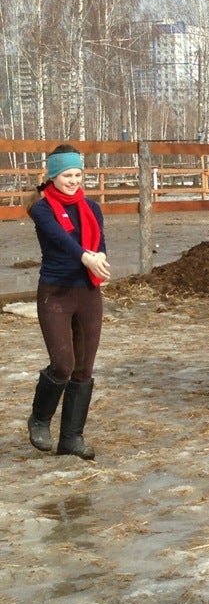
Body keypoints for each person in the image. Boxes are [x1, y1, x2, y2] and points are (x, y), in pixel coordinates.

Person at [26, 144, 111, 460]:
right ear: (53, 175)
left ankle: (72, 438)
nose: (73, 181)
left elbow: (98, 241)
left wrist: (99, 256)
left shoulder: (92, 207)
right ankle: (39, 418)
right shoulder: (41, 209)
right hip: (56, 294)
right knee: (63, 364)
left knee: (84, 368)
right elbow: (62, 241)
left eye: (77, 174)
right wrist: (86, 256)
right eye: (66, 175)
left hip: (88, 294)